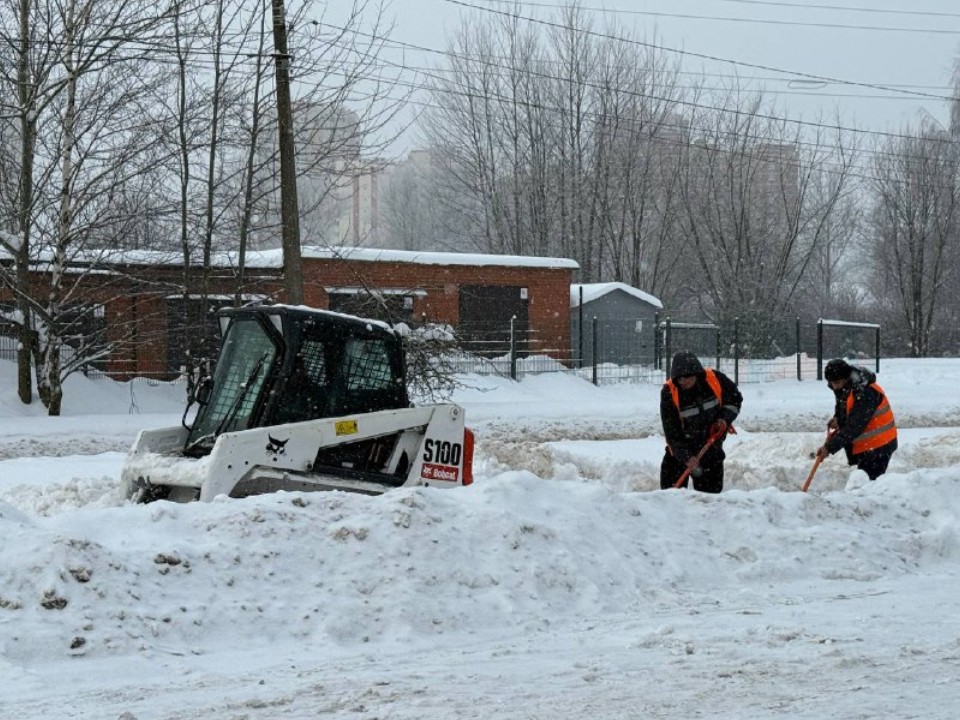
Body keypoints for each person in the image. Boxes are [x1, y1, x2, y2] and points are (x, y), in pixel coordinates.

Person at [660, 350, 743, 492]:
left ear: (696, 373)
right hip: (680, 454)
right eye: (679, 379)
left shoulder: (715, 379)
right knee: (670, 498)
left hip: (711, 449)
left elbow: (734, 399)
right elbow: (672, 433)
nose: (682, 382)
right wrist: (686, 457)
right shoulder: (669, 392)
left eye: (686, 377)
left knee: (709, 501)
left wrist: (724, 418)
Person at [815, 358, 898, 480]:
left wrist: (829, 448)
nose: (835, 386)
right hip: (868, 446)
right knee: (864, 483)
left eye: (837, 383)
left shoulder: (865, 393)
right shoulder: (844, 388)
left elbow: (854, 426)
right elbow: (845, 408)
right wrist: (838, 419)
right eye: (832, 383)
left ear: (846, 378)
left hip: (879, 446)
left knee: (868, 487)